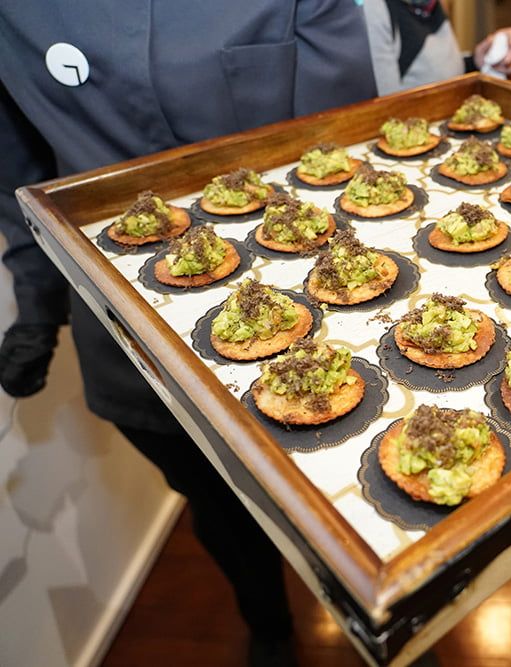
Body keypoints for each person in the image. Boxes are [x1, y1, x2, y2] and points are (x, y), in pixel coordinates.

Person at [0, 4, 370, 667]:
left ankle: (380, 624)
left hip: (316, 309)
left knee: (349, 500)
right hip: (131, 341)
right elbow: (19, 179)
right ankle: (268, 623)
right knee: (220, 507)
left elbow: (341, 144)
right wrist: (37, 305)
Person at [363, 0, 511, 96]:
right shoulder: (376, 9)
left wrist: (477, 62)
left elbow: (437, 71)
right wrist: (510, 101)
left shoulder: (430, 5)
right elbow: (389, 111)